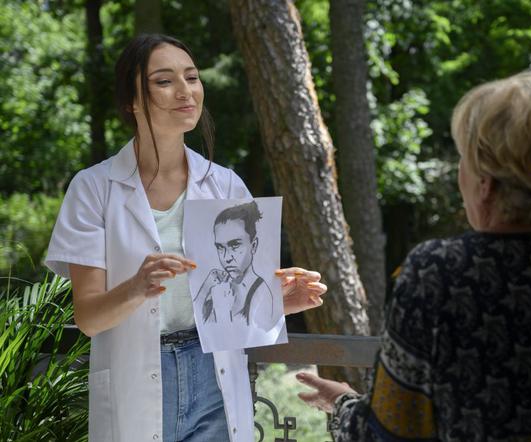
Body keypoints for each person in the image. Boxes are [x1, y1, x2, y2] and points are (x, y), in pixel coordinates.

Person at [297, 70, 531, 441]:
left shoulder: (437, 274)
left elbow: (388, 434)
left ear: (485, 182)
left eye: (463, 158)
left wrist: (342, 405)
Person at [45, 34, 326, 442]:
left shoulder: (226, 186)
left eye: (192, 77)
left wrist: (278, 302)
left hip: (213, 377)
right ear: (132, 101)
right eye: (164, 81)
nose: (185, 91)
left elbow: (232, 309)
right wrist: (136, 287)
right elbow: (88, 318)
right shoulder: (93, 189)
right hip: (137, 377)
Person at [194, 200, 276, 331]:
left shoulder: (261, 293)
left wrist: (222, 310)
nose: (227, 258)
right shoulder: (217, 283)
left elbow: (251, 341)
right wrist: (205, 290)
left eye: (235, 245)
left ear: (253, 246)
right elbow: (194, 325)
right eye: (220, 247)